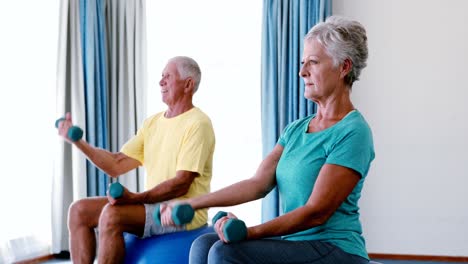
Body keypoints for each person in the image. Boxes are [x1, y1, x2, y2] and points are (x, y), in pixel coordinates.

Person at [160, 16, 374, 264]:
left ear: (344, 67)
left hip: (334, 249)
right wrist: (193, 203)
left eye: (313, 63)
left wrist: (248, 233)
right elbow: (258, 183)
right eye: (303, 63)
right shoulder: (296, 129)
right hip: (295, 245)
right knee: (204, 243)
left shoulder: (353, 131)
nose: (302, 71)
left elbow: (317, 213)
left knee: (225, 251)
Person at [57, 56, 216, 264]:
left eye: (167, 77)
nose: (161, 82)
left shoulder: (198, 123)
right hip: (153, 206)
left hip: (182, 211)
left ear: (188, 84)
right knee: (78, 210)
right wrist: (79, 142)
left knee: (112, 215)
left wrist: (135, 198)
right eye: (161, 77)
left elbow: (181, 183)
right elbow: (116, 164)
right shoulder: (153, 123)